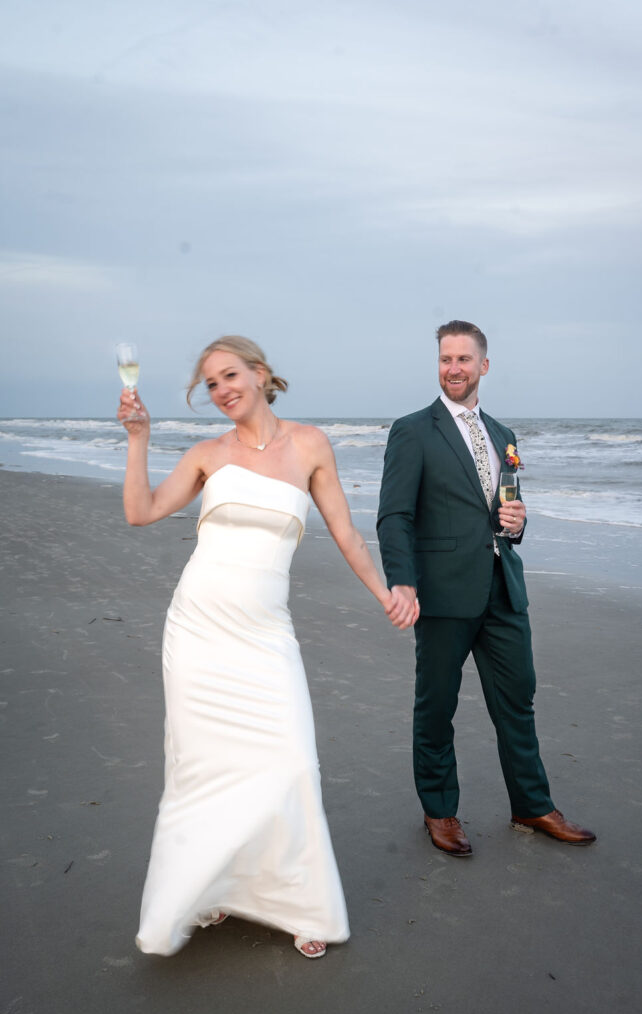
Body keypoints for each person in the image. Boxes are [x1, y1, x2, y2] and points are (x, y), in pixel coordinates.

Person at [118, 335, 407, 960]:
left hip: (264, 632)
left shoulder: (310, 445)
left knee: (291, 763)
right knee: (204, 770)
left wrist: (387, 593)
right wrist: (139, 439)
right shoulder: (205, 454)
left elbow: (347, 535)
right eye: (211, 384)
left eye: (230, 376)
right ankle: (214, 884)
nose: (222, 390)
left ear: (260, 374)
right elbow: (140, 512)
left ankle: (301, 904)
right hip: (197, 629)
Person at [376, 320, 595, 857]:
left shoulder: (503, 435)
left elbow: (501, 513)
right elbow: (394, 517)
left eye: (464, 360)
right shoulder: (413, 430)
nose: (454, 368)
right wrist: (402, 581)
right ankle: (440, 812)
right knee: (437, 707)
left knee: (518, 700)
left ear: (484, 366)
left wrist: (517, 523)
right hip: (443, 594)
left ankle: (532, 804)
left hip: (503, 590)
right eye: (446, 359)